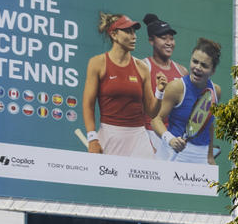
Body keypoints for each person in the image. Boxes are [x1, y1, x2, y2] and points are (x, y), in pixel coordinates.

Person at [81, 13, 156, 156]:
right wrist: (92, 138)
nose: (134, 36)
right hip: (110, 134)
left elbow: (152, 112)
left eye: (134, 31)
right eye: (128, 31)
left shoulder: (142, 68)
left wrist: (160, 92)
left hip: (139, 137)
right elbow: (88, 105)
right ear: (114, 35)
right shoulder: (97, 63)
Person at [150, 38, 223, 164]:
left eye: (204, 65)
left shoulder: (215, 91)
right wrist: (171, 140)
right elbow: (156, 120)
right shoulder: (176, 87)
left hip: (201, 155)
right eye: (195, 61)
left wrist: (210, 156)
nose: (197, 67)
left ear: (213, 71)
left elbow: (207, 122)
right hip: (171, 151)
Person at [142, 14, 183, 151]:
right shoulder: (143, 67)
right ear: (151, 41)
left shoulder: (182, 72)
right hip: (149, 135)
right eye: (163, 38)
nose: (169, 42)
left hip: (175, 138)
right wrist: (145, 142)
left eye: (171, 38)